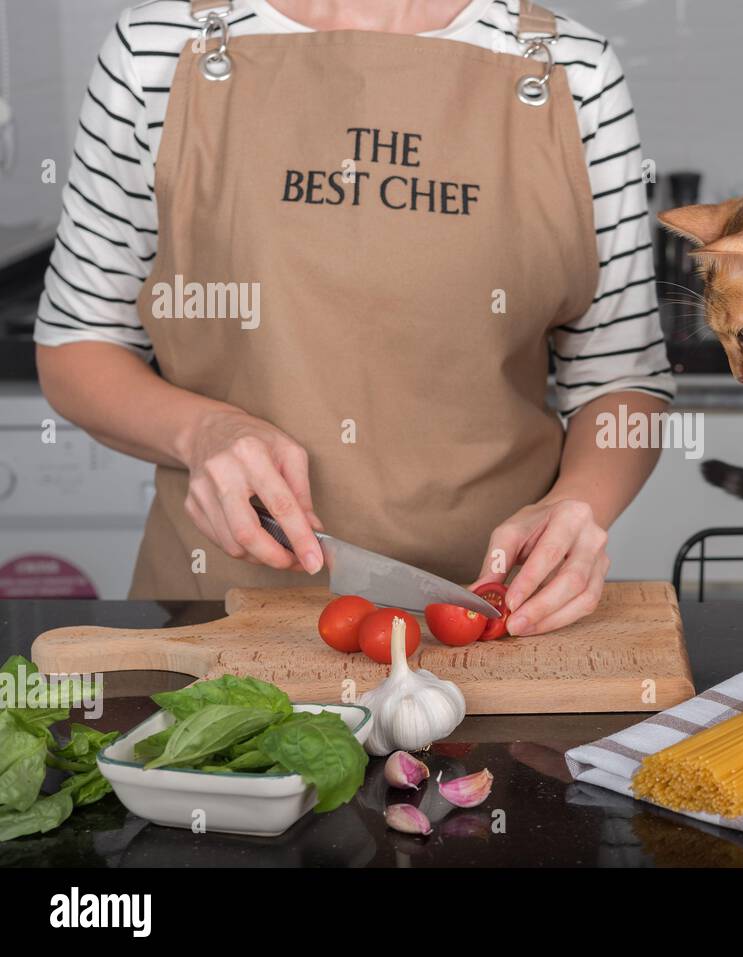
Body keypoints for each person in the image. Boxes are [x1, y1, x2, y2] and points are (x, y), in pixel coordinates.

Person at [35, 0, 673, 636]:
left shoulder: (572, 68)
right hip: (214, 622)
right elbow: (77, 345)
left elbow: (621, 380)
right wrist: (202, 432)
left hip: (493, 619)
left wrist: (576, 505)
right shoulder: (156, 49)